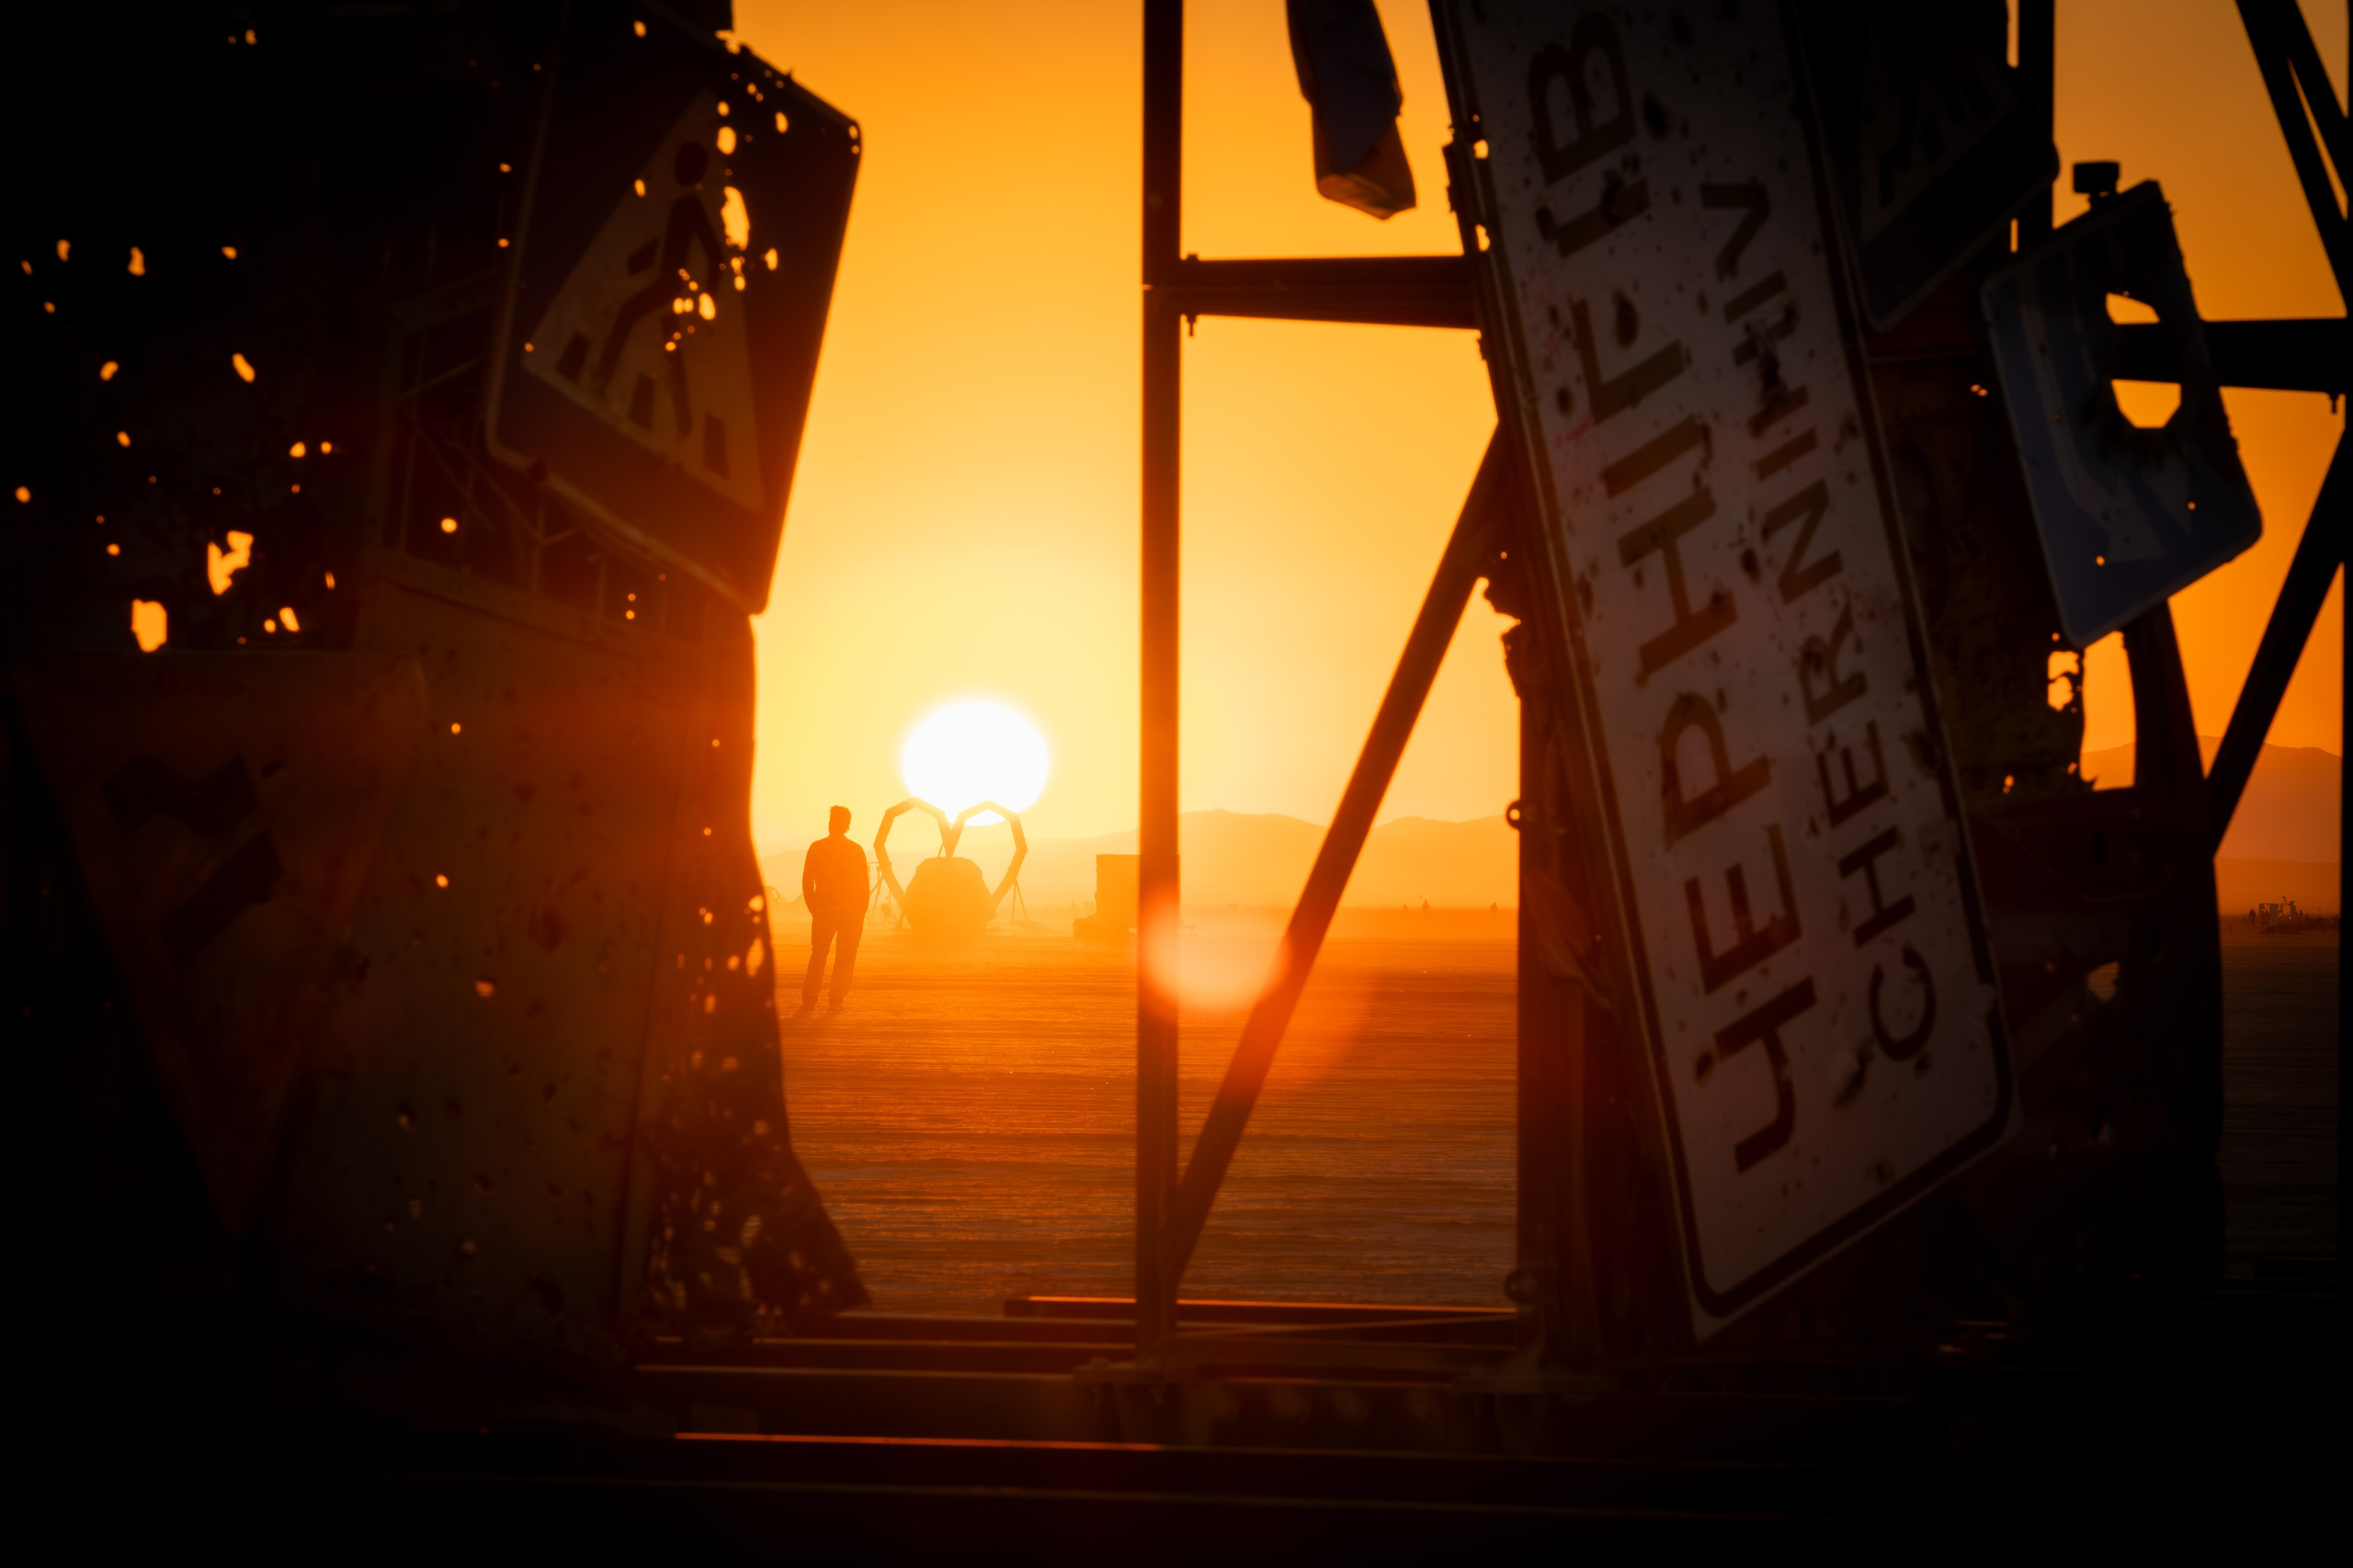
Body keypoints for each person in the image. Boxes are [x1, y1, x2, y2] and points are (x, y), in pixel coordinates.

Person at [801, 805, 868, 1016]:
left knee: (819, 954)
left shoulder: (817, 847)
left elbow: (807, 881)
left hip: (824, 911)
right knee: (845, 956)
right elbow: (864, 885)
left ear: (830, 823)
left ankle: (810, 1000)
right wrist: (861, 910)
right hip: (850, 912)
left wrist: (814, 907)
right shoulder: (856, 850)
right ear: (848, 825)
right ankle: (836, 1000)